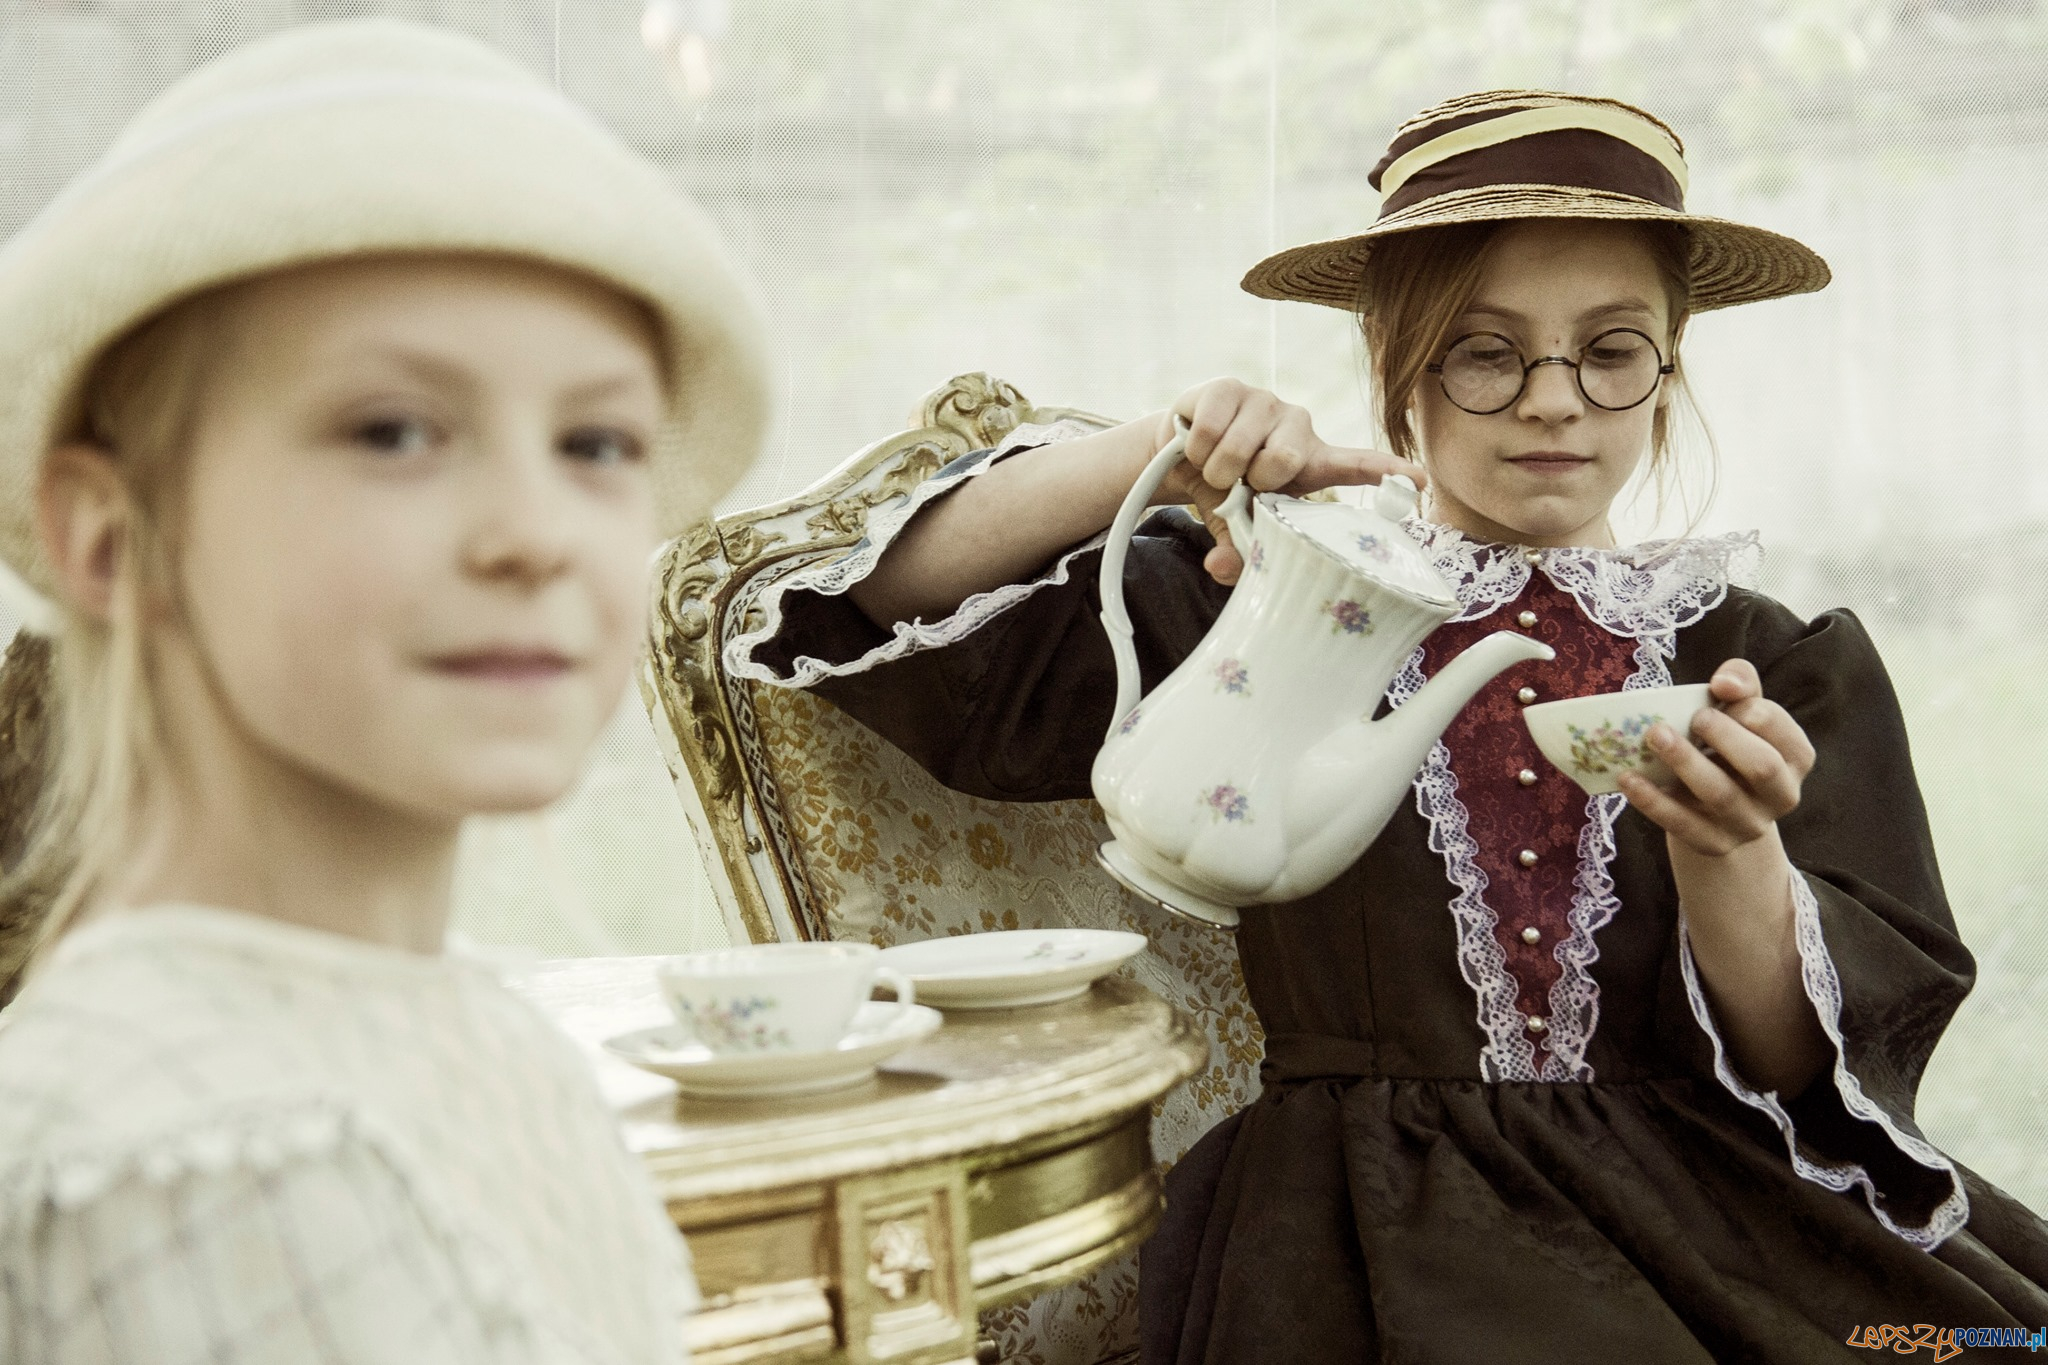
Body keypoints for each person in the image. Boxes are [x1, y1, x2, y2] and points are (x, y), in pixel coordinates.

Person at [730, 91, 2048, 1361]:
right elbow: (856, 604)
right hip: (1357, 1226)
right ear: (1395, 371)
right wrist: (1159, 450)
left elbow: (1812, 1072)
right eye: (1487, 350)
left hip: (1719, 1207)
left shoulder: (1763, 661)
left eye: (1609, 349)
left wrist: (1730, 854)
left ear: (1665, 371)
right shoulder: (1273, 591)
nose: (1552, 398)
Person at [0, 20, 770, 1363]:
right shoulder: (180, 1147)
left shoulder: (486, 1037)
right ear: (114, 540)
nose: (531, 531)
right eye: (395, 431)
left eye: (595, 441)